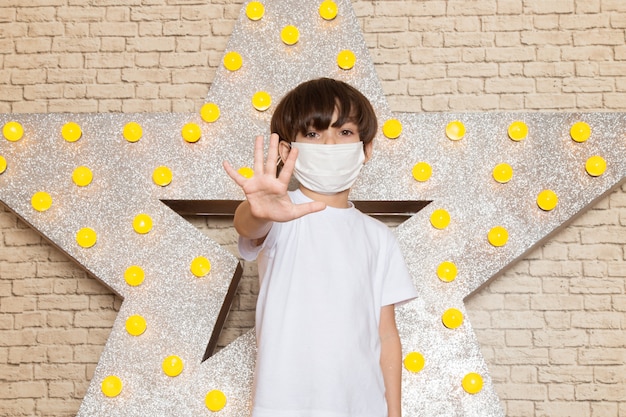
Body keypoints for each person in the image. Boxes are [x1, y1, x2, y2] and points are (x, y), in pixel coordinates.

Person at [223, 78, 417, 417]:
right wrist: (258, 210)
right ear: (286, 151)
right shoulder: (282, 216)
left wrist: (394, 412)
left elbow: (386, 336)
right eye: (313, 134)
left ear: (366, 148)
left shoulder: (379, 238)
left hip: (362, 405)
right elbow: (249, 225)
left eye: (344, 133)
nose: (329, 144)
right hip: (283, 405)